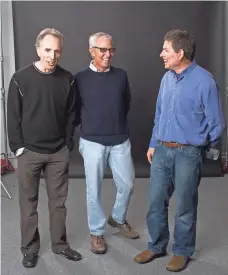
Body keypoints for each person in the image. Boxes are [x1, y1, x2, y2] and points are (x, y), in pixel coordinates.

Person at [134, 29, 225, 272]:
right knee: (155, 202)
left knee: (184, 206)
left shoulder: (205, 81)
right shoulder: (167, 79)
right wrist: (154, 143)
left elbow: (216, 124)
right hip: (162, 150)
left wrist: (200, 148)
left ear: (180, 52)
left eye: (166, 49)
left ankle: (182, 251)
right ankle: (156, 246)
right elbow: (160, 115)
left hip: (188, 153)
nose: (161, 54)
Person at [7, 28, 82, 268]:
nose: (52, 55)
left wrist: (68, 143)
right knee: (28, 204)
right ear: (38, 49)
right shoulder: (20, 78)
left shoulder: (67, 79)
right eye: (48, 50)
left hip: (58, 151)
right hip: (29, 152)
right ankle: (30, 249)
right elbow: (13, 116)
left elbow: (72, 114)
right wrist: (17, 148)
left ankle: (60, 245)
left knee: (58, 203)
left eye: (57, 51)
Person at [74, 32, 139, 254]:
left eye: (111, 50)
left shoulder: (121, 76)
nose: (108, 54)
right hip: (92, 141)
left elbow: (125, 103)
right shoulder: (80, 78)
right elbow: (75, 109)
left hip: (120, 139)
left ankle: (118, 218)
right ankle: (96, 232)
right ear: (91, 51)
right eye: (103, 50)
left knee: (128, 184)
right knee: (94, 189)